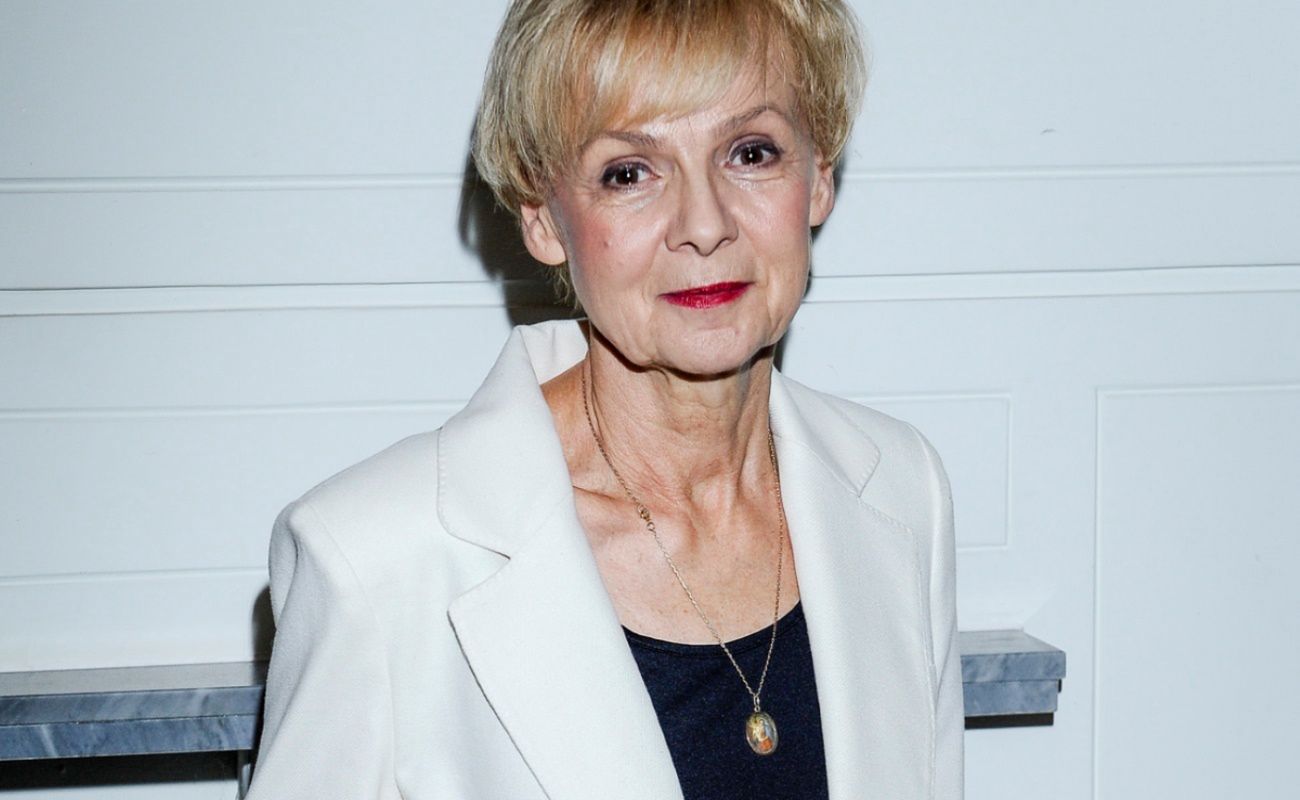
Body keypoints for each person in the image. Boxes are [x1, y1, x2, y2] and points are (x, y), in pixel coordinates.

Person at [245, 1, 963, 798]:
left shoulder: (902, 489)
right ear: (543, 219)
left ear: (819, 176)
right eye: (629, 172)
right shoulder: (374, 556)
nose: (704, 225)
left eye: (750, 152)